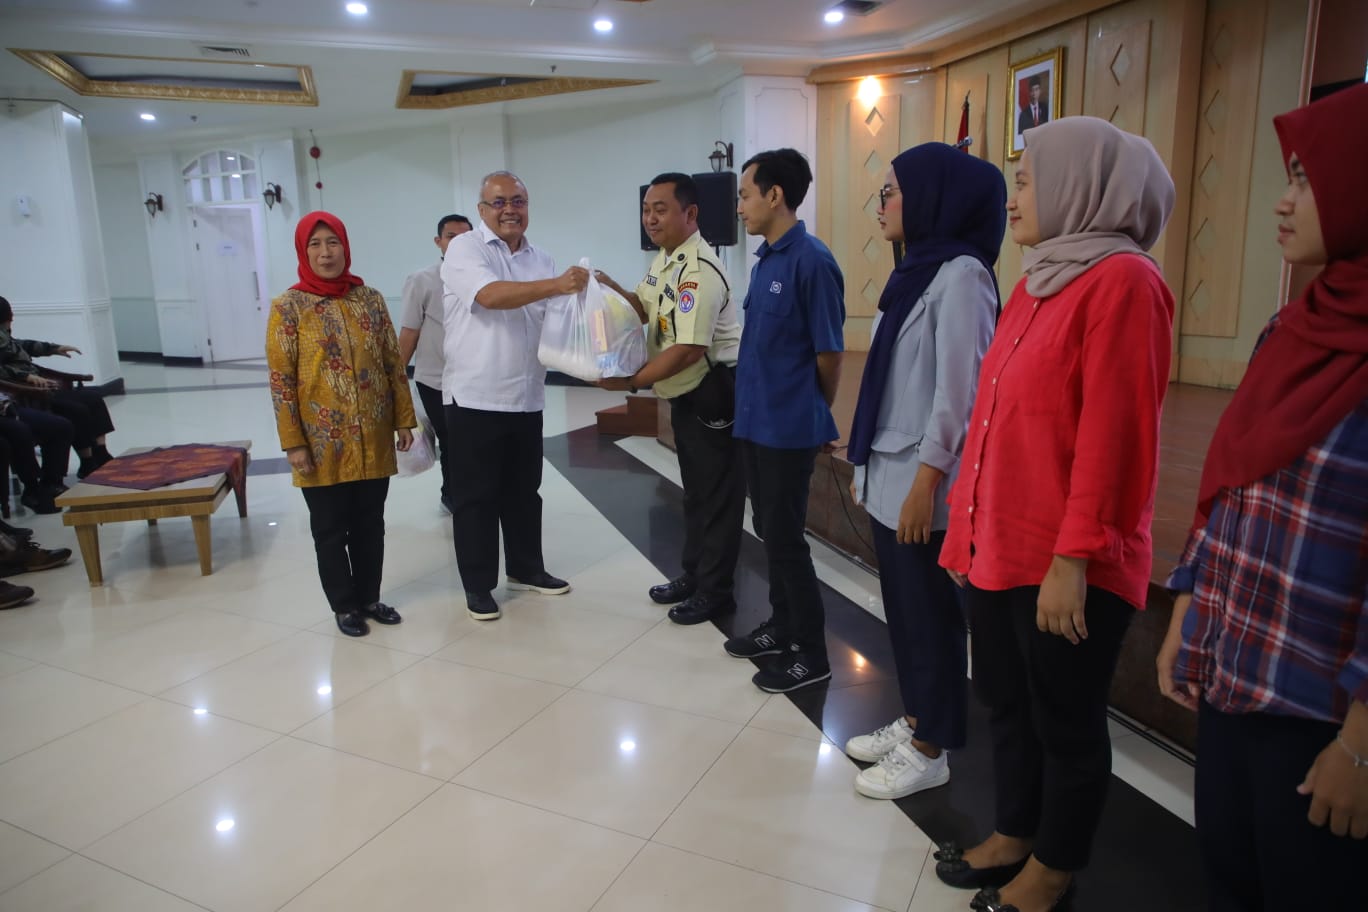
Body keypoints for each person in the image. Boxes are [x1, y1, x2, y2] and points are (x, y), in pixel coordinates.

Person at [933, 117, 1175, 912]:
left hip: (1067, 561)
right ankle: (1015, 831)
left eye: (1029, 180)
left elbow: (1116, 437)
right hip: (1002, 543)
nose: (1014, 198)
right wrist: (965, 532)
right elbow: (991, 419)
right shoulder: (1038, 281)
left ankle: (1054, 868)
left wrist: (1074, 560)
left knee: (1065, 721)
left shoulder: (1124, 282)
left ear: (1082, 185)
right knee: (1007, 703)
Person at [1156, 83, 1368, 911]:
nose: (1283, 201)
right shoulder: (1292, 328)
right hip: (1237, 672)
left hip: (1322, 714)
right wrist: (1188, 611)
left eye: (1307, 179)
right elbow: (1230, 484)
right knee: (1229, 880)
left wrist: (1361, 745)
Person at [843, 144, 1005, 799]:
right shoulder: (916, 270)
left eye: (892, 191)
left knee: (932, 620)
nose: (881, 204)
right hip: (892, 472)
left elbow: (960, 394)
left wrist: (927, 483)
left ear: (935, 197)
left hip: (924, 484)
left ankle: (932, 748)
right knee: (905, 615)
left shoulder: (962, 275)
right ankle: (915, 722)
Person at [596, 173, 744, 626]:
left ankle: (716, 592)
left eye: (660, 209)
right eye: (646, 210)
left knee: (717, 499)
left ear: (690, 213)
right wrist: (605, 287)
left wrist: (631, 383)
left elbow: (688, 349)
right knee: (696, 494)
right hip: (685, 393)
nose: (650, 219)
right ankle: (694, 575)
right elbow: (642, 309)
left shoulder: (698, 271)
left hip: (712, 392)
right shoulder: (665, 260)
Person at [723, 148, 845, 693]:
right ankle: (782, 626)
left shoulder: (812, 262)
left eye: (745, 195)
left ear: (775, 196)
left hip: (788, 427)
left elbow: (829, 353)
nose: (739, 207)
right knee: (769, 531)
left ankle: (812, 653)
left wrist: (817, 413)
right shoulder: (766, 260)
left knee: (786, 539)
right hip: (755, 421)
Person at [440, 171, 585, 621]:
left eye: (518, 201)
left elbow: (556, 317)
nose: (509, 210)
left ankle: (526, 568)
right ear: (482, 210)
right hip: (475, 398)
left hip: (526, 396)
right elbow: (489, 295)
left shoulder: (541, 258)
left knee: (524, 492)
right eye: (499, 202)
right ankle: (478, 585)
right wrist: (557, 285)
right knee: (476, 498)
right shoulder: (465, 249)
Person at [266, 211, 417, 638]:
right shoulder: (289, 307)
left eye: (332, 242)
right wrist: (293, 442)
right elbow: (281, 381)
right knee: (330, 529)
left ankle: (369, 597)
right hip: (320, 441)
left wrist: (403, 420)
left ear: (345, 247)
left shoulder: (369, 299)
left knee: (371, 523)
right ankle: (344, 605)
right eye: (315, 244)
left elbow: (392, 362)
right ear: (303, 251)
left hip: (372, 433)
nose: (325, 253)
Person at [399, 213, 473, 515]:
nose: (458, 242)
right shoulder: (422, 280)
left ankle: (467, 494)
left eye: (465, 237)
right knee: (451, 440)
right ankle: (452, 496)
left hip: (473, 379)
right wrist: (395, 378)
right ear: (438, 241)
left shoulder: (483, 278)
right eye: (451, 236)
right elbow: (409, 331)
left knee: (470, 441)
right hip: (434, 380)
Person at [0, 295, 115, 478]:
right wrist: (25, 376)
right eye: (9, 317)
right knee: (76, 410)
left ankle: (101, 453)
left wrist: (53, 348)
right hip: (27, 392)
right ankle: (87, 462)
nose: (11, 321)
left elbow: (21, 345)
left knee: (93, 398)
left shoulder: (4, 335)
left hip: (40, 385)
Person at [0, 391, 73, 513]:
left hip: (7, 406)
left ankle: (52, 482)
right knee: (20, 431)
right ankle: (32, 489)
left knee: (61, 426)